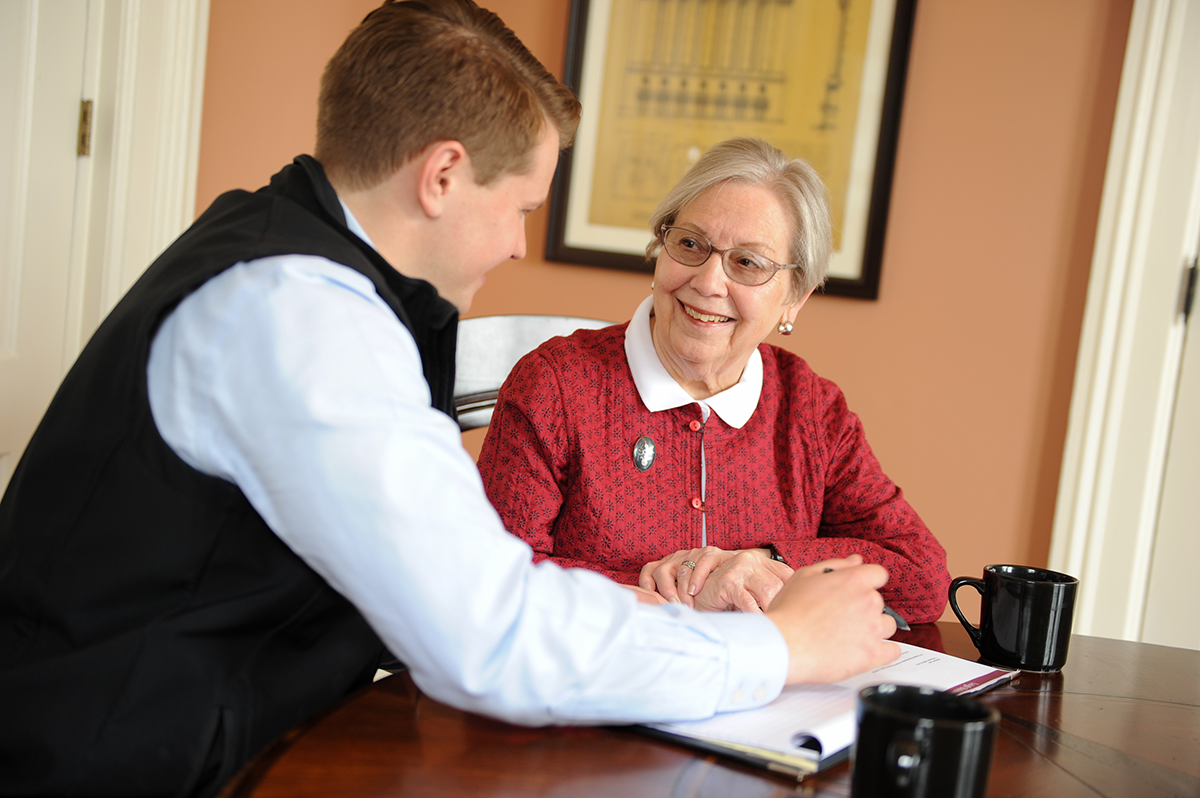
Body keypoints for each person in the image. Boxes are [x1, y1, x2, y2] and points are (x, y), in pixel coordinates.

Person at [0, 5, 898, 797]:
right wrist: (781, 651)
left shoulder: (276, 250)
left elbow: (474, 581)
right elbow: (488, 637)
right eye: (519, 208)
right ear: (441, 175)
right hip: (119, 759)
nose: (516, 245)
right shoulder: (302, 320)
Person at [478, 137, 950, 623]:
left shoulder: (810, 409)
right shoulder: (557, 384)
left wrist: (767, 563)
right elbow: (489, 576)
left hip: (766, 694)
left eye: (747, 262)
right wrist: (680, 592)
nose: (707, 282)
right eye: (690, 244)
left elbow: (922, 576)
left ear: (795, 298)